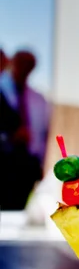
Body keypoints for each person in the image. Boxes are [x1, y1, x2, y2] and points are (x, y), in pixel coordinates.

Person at [0, 50, 50, 210]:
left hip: (27, 166)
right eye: (21, 63)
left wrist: (40, 163)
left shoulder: (38, 99)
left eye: (28, 65)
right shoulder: (3, 91)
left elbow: (43, 136)